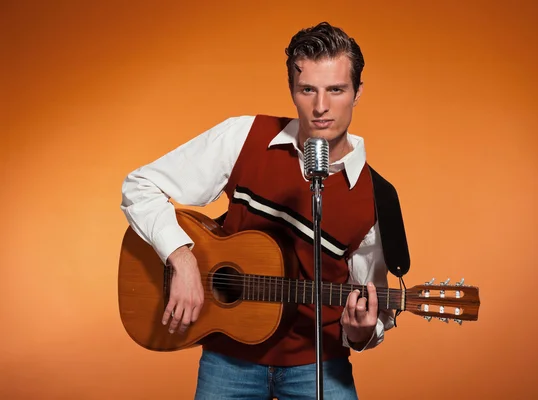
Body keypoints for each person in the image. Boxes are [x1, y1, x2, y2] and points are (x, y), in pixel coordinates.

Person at [120, 21, 397, 399]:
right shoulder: (244, 137)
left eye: (336, 90)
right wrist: (180, 258)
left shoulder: (375, 197)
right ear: (291, 90)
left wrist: (364, 330)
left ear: (357, 91)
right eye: (307, 90)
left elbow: (370, 310)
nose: (320, 107)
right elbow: (140, 186)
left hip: (319, 366)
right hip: (228, 362)